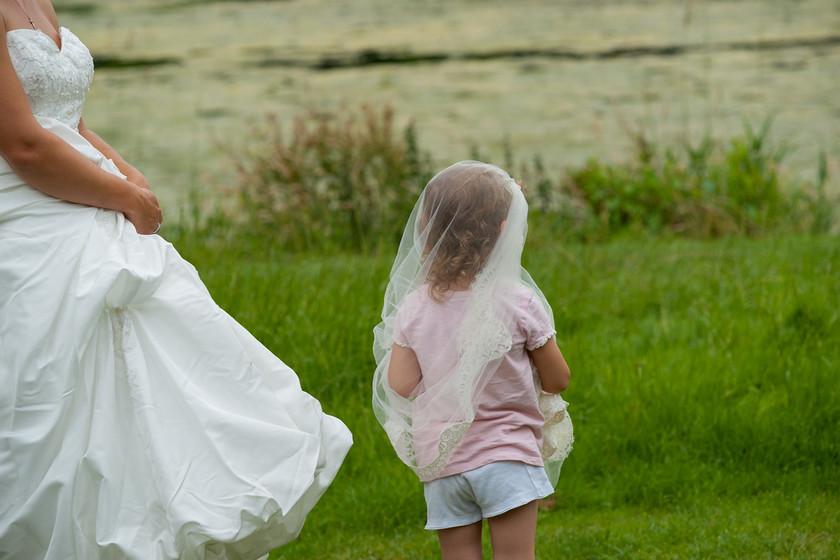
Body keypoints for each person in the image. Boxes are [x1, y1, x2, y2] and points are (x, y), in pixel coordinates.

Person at [0, 1, 352, 558]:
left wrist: (125, 174)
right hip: (29, 219)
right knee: (52, 396)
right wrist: (122, 197)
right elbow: (23, 144)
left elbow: (68, 122)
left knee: (164, 394)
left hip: (85, 196)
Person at [372, 161, 574, 559]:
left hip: (444, 460)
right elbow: (558, 380)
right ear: (504, 230)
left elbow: (400, 385)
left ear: (429, 229)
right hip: (507, 456)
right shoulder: (518, 301)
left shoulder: (413, 306)